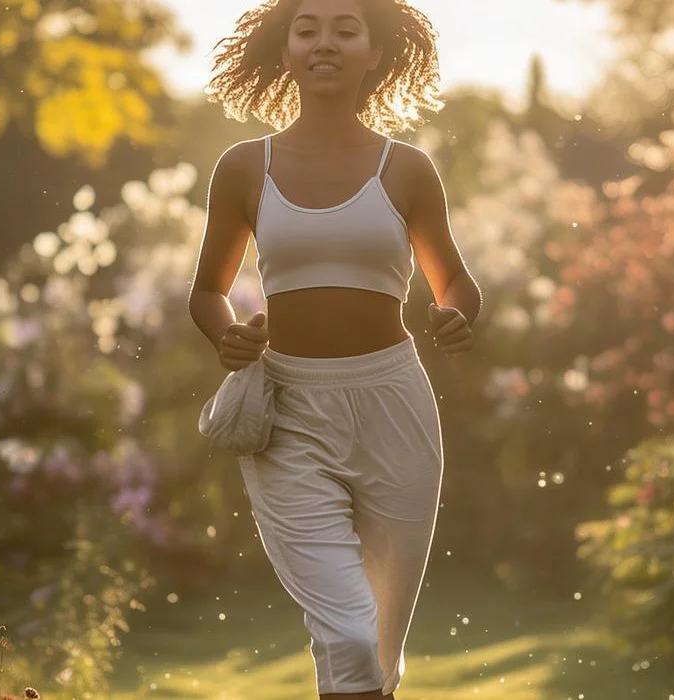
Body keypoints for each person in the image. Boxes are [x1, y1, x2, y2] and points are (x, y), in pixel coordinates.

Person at [188, 0, 481, 697]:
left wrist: (455, 315)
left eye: (346, 29)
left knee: (377, 648)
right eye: (308, 28)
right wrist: (225, 334)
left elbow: (456, 281)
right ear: (284, 48)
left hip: (395, 408)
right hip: (286, 411)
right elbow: (206, 290)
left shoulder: (407, 169)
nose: (325, 41)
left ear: (374, 53)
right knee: (346, 631)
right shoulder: (242, 167)